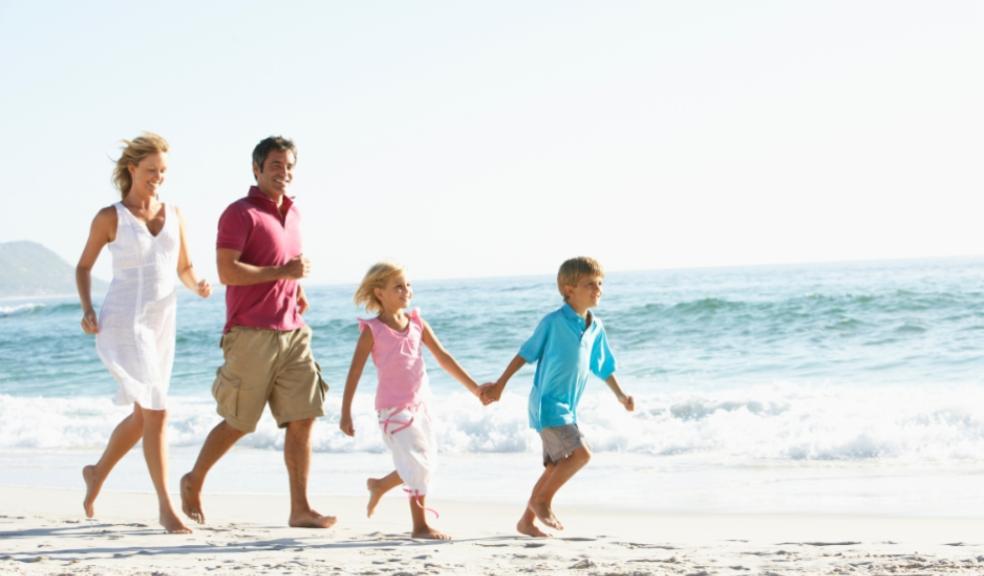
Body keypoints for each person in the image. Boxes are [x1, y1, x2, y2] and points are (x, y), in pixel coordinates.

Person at [179, 136, 332, 528]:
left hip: (293, 332)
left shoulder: (294, 214)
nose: (285, 172)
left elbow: (283, 264)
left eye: (290, 166)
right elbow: (227, 272)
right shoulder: (239, 213)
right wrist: (284, 273)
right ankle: (194, 480)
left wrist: (297, 290)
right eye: (276, 165)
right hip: (250, 333)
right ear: (257, 169)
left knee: (303, 417)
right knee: (239, 421)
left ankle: (300, 508)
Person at [76, 133, 212, 534]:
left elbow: (183, 267)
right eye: (151, 170)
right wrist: (86, 307)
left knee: (144, 414)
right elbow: (83, 267)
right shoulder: (110, 217)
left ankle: (96, 473)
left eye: (163, 172)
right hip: (123, 320)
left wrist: (198, 285)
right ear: (132, 168)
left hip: (161, 324)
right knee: (157, 411)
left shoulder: (175, 213)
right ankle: (167, 508)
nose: (158, 178)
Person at [481, 256, 635, 538]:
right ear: (568, 289)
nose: (597, 289)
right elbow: (525, 354)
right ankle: (541, 502)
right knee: (580, 454)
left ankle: (526, 521)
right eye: (590, 284)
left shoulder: (595, 327)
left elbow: (603, 367)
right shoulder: (553, 322)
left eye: (600, 283)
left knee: (554, 467)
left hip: (568, 408)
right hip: (547, 405)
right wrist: (500, 385)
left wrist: (621, 396)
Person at [339, 262, 488, 540]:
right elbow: (354, 372)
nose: (406, 290)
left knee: (426, 462)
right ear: (379, 292)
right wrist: (345, 412)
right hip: (392, 409)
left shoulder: (417, 322)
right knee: (418, 465)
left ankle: (382, 485)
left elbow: (444, 358)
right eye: (398, 286)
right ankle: (419, 525)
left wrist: (476, 389)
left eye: (408, 285)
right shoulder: (373, 330)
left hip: (421, 406)